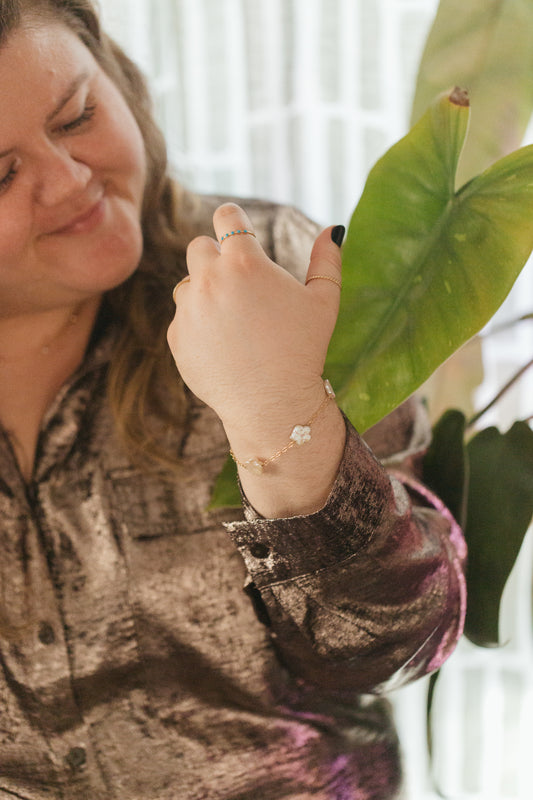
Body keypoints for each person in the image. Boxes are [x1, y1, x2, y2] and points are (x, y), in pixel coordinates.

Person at [0, 1, 466, 798]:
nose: (72, 180)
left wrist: (279, 416)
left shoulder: (273, 275)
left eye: (76, 116)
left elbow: (402, 643)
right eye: (0, 173)